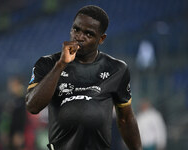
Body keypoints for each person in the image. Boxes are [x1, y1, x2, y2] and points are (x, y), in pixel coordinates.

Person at [25, 5, 142, 150]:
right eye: (76, 29)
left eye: (89, 34)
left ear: (101, 39)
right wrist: (60, 65)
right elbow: (32, 106)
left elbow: (125, 119)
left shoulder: (116, 69)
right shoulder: (48, 64)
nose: (79, 37)